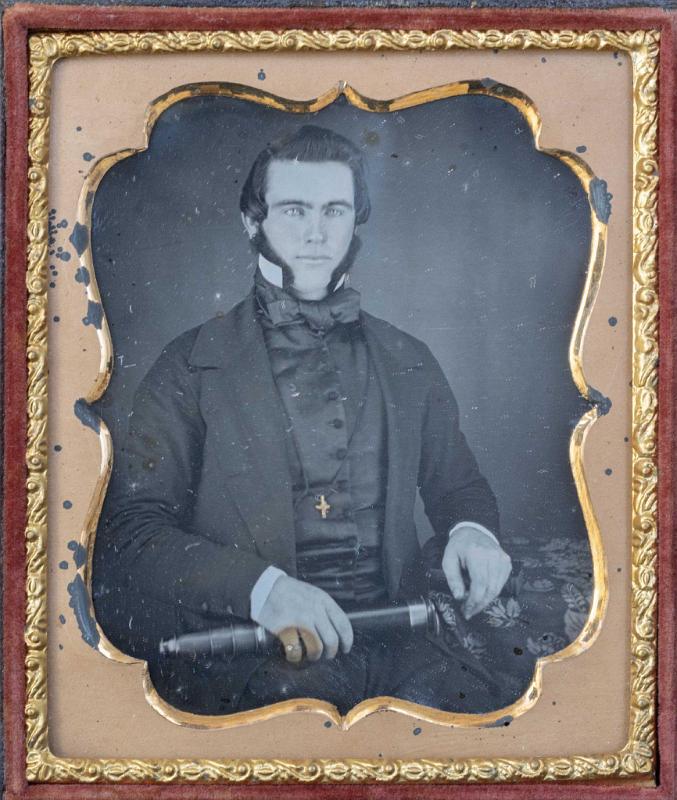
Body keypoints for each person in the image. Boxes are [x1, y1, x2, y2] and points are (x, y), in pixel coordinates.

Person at [93, 124, 513, 716]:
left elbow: (460, 490)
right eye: (294, 210)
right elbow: (132, 534)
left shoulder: (408, 358)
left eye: (335, 211)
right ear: (252, 222)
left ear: (355, 222)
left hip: (402, 640)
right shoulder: (188, 365)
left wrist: (474, 531)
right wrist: (264, 592)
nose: (317, 234)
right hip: (253, 653)